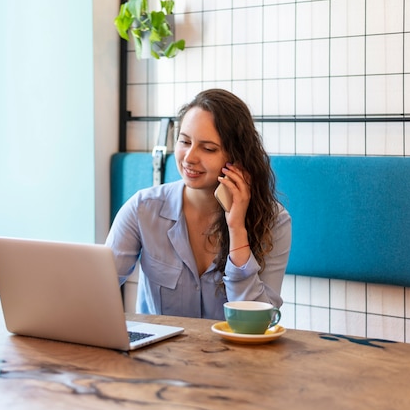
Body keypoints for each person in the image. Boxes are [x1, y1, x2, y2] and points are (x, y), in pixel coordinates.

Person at [106, 89, 291, 320]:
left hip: (236, 356)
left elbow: (260, 322)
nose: (189, 157)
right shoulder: (142, 208)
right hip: (158, 355)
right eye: (184, 141)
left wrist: (237, 229)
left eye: (208, 148)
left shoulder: (274, 221)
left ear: (237, 157)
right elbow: (96, 291)